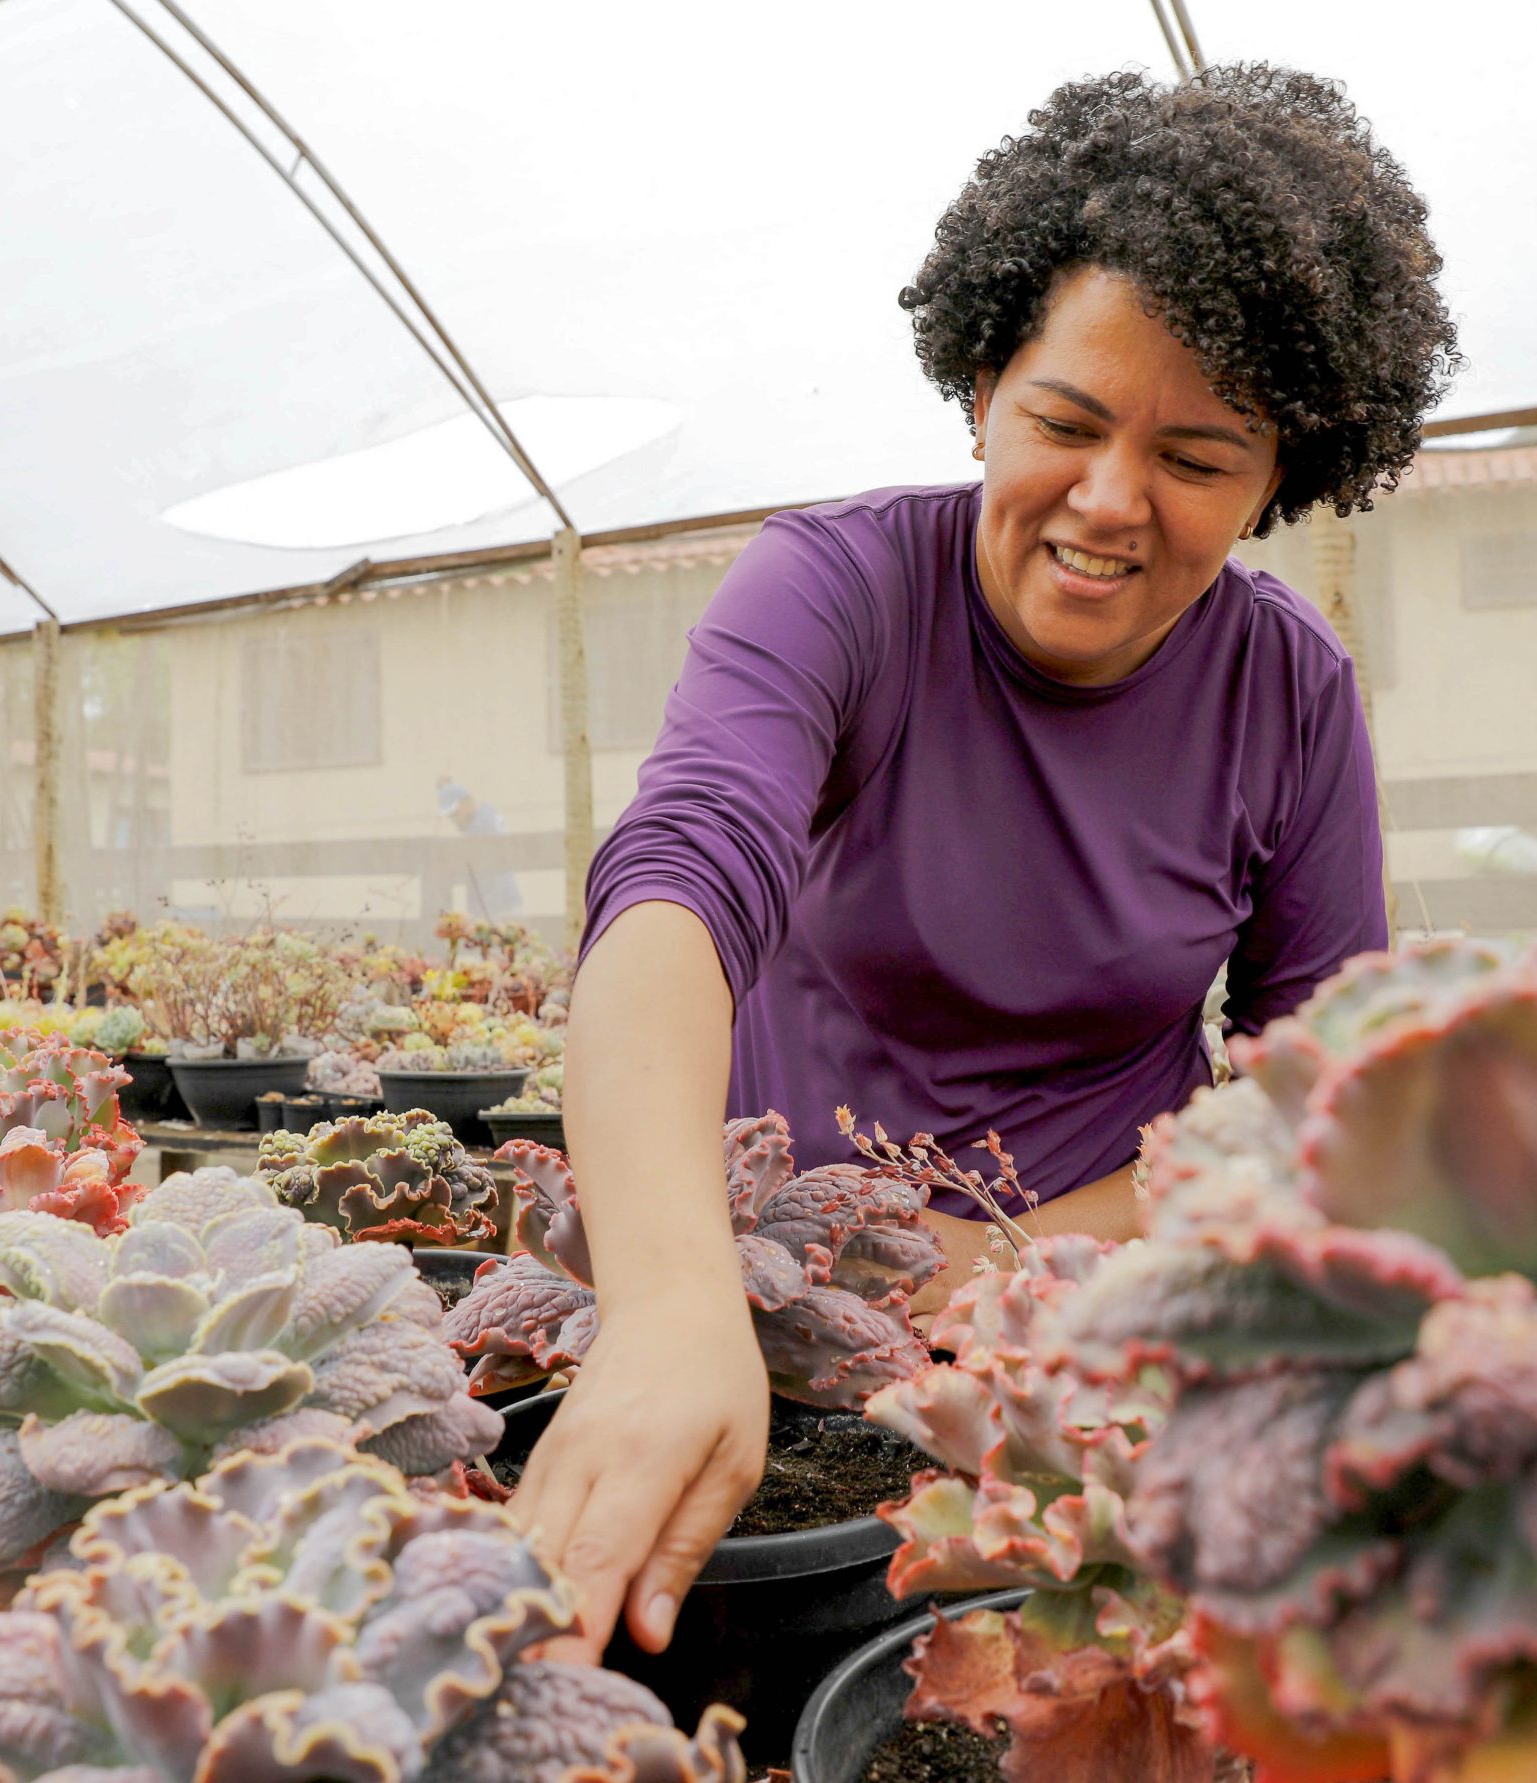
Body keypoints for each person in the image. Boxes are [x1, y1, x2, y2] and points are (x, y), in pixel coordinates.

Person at [512, 64, 1459, 1663]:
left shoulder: (1288, 688)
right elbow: (677, 887)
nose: (1109, 501)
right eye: (1066, 421)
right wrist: (677, 1298)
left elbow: (1319, 1090)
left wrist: (1015, 1265)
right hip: (772, 1313)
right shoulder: (838, 590)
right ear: (980, 379)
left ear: (1282, 473)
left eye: (1201, 454)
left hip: (1101, 1312)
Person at [436, 773, 524, 919]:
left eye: (455, 814)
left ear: (466, 803)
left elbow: (477, 867)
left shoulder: (480, 826)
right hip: (501, 903)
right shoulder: (486, 812)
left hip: (497, 906)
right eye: (450, 816)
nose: (454, 820)